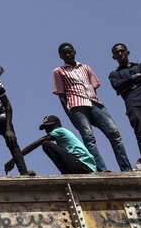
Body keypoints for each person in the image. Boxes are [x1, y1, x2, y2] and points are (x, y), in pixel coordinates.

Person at [53, 42, 132, 172]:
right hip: (77, 105)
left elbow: (93, 86)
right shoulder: (59, 71)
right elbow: (61, 95)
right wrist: (70, 114)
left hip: (94, 103)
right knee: (89, 138)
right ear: (61, 56)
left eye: (69, 52)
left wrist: (95, 101)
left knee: (114, 133)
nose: (68, 55)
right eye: (64, 53)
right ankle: (101, 169)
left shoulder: (86, 68)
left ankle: (126, 168)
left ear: (74, 52)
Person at [109, 43, 141, 170]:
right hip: (134, 105)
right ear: (114, 57)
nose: (120, 54)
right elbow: (117, 85)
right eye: (117, 53)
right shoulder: (114, 74)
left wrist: (128, 85)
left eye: (122, 51)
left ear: (127, 52)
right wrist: (136, 76)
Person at [5, 115, 97, 175]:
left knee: (46, 144)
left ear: (58, 125)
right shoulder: (61, 138)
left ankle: (66, 173)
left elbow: (35, 144)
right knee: (49, 146)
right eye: (46, 128)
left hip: (84, 166)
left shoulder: (60, 130)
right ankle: (66, 173)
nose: (48, 130)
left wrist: (14, 159)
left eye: (50, 126)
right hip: (81, 166)